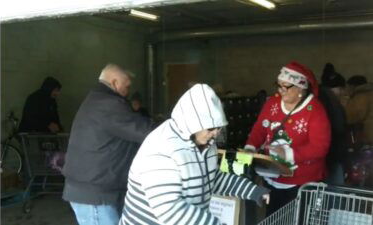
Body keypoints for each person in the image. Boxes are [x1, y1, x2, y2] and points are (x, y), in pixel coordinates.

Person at [119, 84, 270, 225]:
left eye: (218, 128)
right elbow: (172, 211)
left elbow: (213, 178)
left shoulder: (206, 143)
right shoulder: (162, 149)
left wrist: (252, 191)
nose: (216, 133)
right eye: (211, 128)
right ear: (192, 123)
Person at [62, 64, 153, 225]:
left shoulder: (97, 99)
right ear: (114, 82)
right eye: (127, 86)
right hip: (94, 193)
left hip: (91, 187)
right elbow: (143, 131)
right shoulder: (108, 104)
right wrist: (177, 127)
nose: (129, 91)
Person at [244, 61, 331, 216]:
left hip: (302, 182)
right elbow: (260, 128)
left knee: (298, 218)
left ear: (300, 89)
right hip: (273, 177)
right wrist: (250, 147)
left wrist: (289, 154)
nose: (281, 90)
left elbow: (320, 147)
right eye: (279, 85)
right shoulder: (272, 103)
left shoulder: (315, 110)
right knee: (274, 217)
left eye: (286, 86)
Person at [319, 68, 348, 185]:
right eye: (340, 88)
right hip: (332, 154)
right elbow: (339, 127)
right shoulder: (332, 101)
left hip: (323, 157)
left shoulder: (317, 97)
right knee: (334, 190)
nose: (341, 92)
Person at [345, 75, 373, 145]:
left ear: (352, 86)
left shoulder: (360, 97)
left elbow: (350, 117)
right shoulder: (370, 93)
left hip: (369, 138)